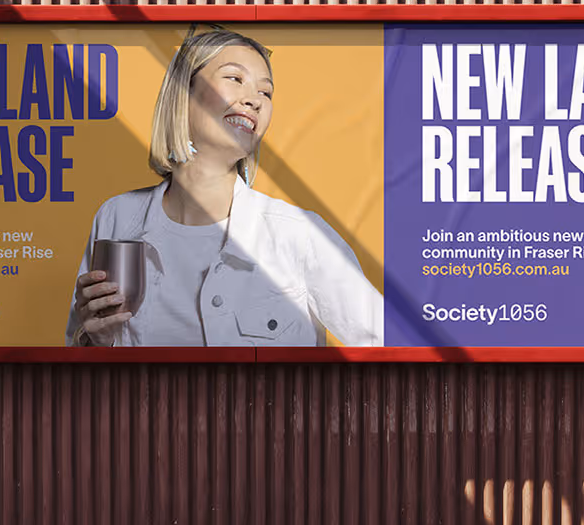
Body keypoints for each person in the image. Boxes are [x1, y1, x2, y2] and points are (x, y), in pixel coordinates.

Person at [67, 26, 384, 347]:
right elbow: (82, 370)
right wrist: (96, 341)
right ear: (183, 91)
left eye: (266, 92)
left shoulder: (299, 234)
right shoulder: (117, 217)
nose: (254, 100)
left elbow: (394, 349)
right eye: (235, 78)